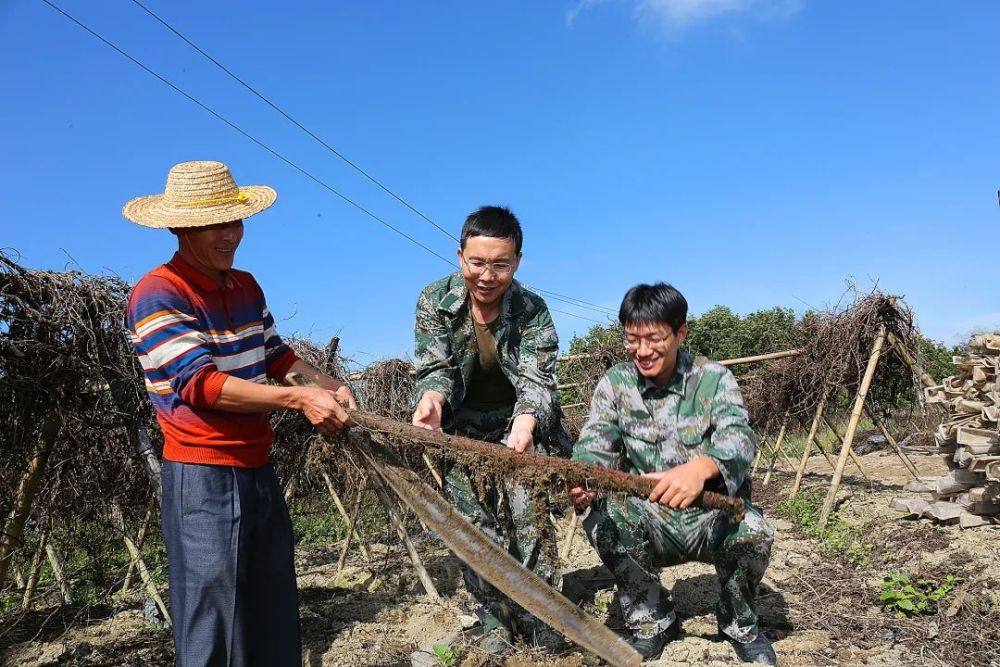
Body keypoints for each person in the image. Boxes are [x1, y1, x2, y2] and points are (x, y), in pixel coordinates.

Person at [124, 160, 356, 667]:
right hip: (202, 475)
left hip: (257, 469)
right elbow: (199, 385)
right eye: (215, 224)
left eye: (235, 221)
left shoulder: (245, 286)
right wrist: (299, 400)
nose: (230, 235)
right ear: (180, 227)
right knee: (214, 622)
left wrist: (327, 385)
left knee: (271, 608)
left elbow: (277, 357)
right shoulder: (158, 293)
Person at [569, 283, 777, 665]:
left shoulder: (712, 378)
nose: (642, 351)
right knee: (601, 517)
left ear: (680, 333)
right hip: (649, 520)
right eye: (632, 340)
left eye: (654, 338)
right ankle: (652, 622)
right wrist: (586, 480)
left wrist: (702, 468)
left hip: (710, 517)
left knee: (755, 530)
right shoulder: (616, 384)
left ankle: (739, 624)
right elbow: (594, 444)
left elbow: (740, 436)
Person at [411, 205, 564, 652]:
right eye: (477, 263)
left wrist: (525, 423)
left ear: (516, 262)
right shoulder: (434, 301)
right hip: (459, 428)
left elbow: (539, 380)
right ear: (461, 257)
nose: (488, 275)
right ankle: (494, 618)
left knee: (529, 518)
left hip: (519, 423)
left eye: (500, 264)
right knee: (472, 528)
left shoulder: (533, 309)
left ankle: (544, 618)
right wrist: (432, 402)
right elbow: (434, 368)